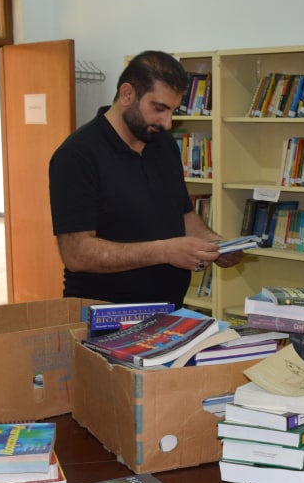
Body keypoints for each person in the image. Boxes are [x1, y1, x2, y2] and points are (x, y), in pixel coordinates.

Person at [49, 50, 239, 307]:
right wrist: (164, 251)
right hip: (104, 314)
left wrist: (214, 245)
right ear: (127, 94)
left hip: (168, 309)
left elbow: (183, 216)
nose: (167, 123)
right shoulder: (77, 155)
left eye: (172, 110)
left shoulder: (164, 145)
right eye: (159, 108)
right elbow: (76, 253)